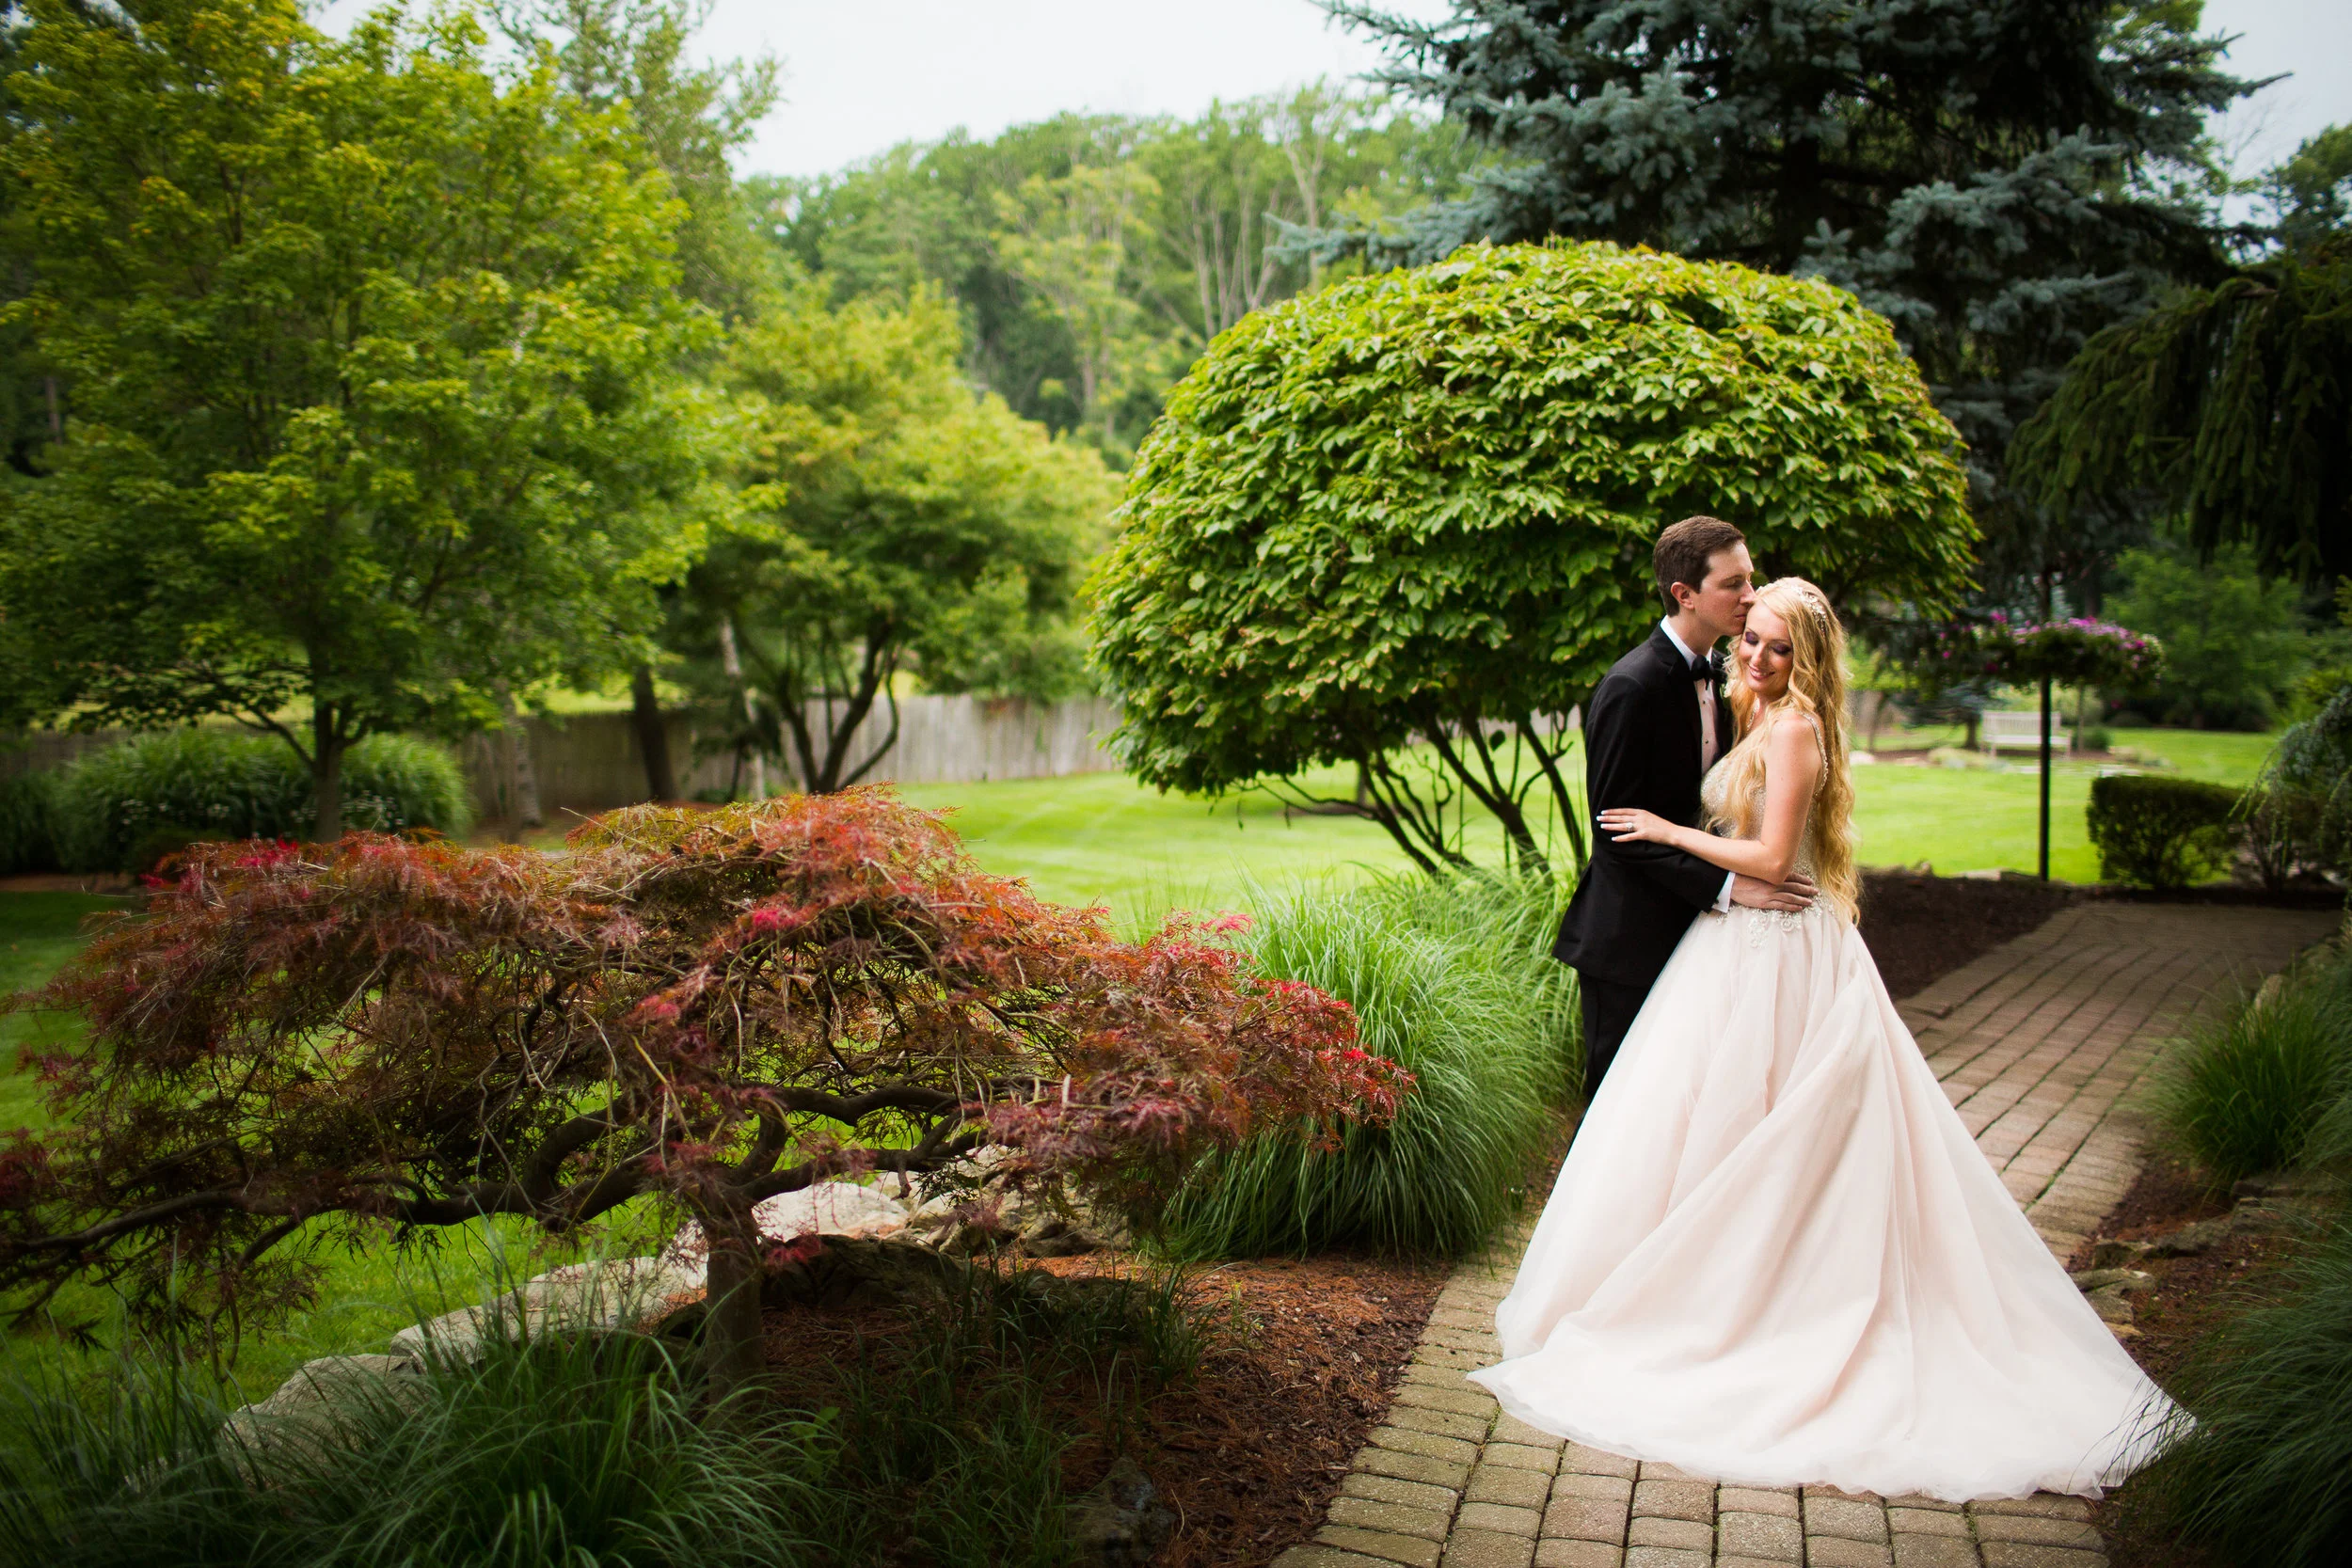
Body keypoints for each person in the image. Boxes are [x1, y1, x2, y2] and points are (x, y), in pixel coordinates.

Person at [1472, 577, 2175, 1499]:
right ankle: (1714, 1294)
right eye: (1749, 640)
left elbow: (1771, 859)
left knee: (1777, 1127)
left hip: (1782, 948)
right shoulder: (1754, 712)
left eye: (1776, 648)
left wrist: (1668, 829)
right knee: (1713, 1125)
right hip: (1733, 947)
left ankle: (1774, 1307)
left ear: (1807, 660)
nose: (1756, 658)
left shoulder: (1796, 727)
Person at [1553, 515, 1816, 1093]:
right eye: (1733, 585)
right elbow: (1617, 831)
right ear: (1685, 595)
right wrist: (1728, 888)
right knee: (1618, 1115)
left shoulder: (1728, 677)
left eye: (1751, 579)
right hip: (1630, 941)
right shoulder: (1632, 686)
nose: (1751, 597)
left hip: (1701, 939)